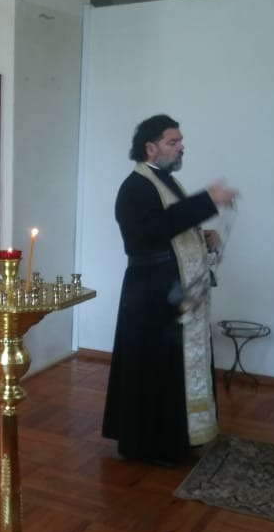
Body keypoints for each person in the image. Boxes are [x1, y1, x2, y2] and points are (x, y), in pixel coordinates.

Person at [101, 114, 239, 467]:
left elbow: (172, 228)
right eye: (172, 142)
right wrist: (207, 200)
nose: (181, 147)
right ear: (151, 148)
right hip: (151, 296)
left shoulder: (165, 182)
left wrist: (201, 236)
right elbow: (149, 232)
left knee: (172, 369)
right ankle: (153, 446)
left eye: (180, 141)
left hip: (171, 292)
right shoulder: (135, 187)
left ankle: (180, 437)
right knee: (156, 371)